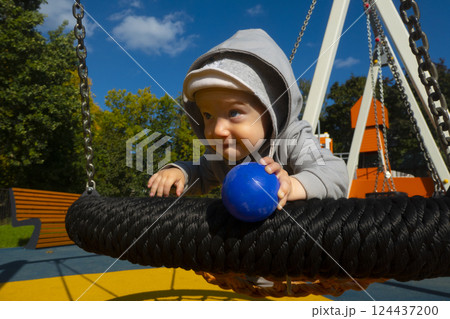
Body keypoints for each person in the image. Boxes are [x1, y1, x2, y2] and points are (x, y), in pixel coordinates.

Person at [148, 29, 348, 209]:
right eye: (208, 115)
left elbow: (335, 174)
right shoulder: (221, 157)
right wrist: (179, 173)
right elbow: (200, 173)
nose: (218, 130)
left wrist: (290, 186)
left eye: (233, 113)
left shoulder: (292, 140)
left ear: (271, 112)